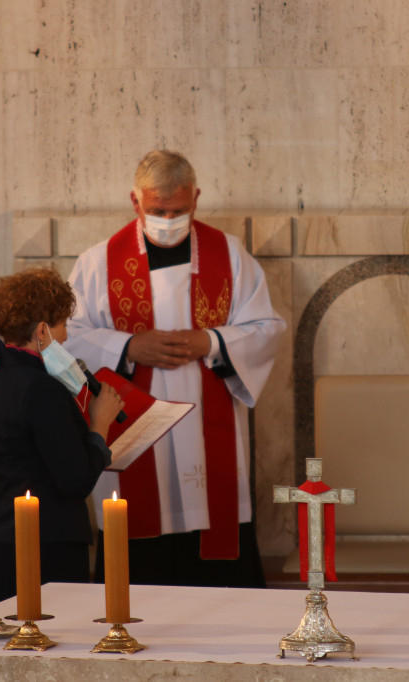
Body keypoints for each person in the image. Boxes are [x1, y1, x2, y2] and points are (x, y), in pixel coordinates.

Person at [66, 150, 286, 587]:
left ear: (197, 199)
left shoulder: (230, 255)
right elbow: (67, 337)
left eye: (178, 210)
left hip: (210, 430)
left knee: (219, 561)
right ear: (135, 202)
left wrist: (212, 340)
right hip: (134, 438)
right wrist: (128, 347)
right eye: (157, 211)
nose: (168, 219)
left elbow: (266, 328)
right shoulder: (96, 263)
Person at [0, 267, 124, 612]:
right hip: (44, 550)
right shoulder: (42, 390)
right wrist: (100, 424)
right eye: (63, 325)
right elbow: (75, 481)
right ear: (42, 331)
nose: (65, 338)